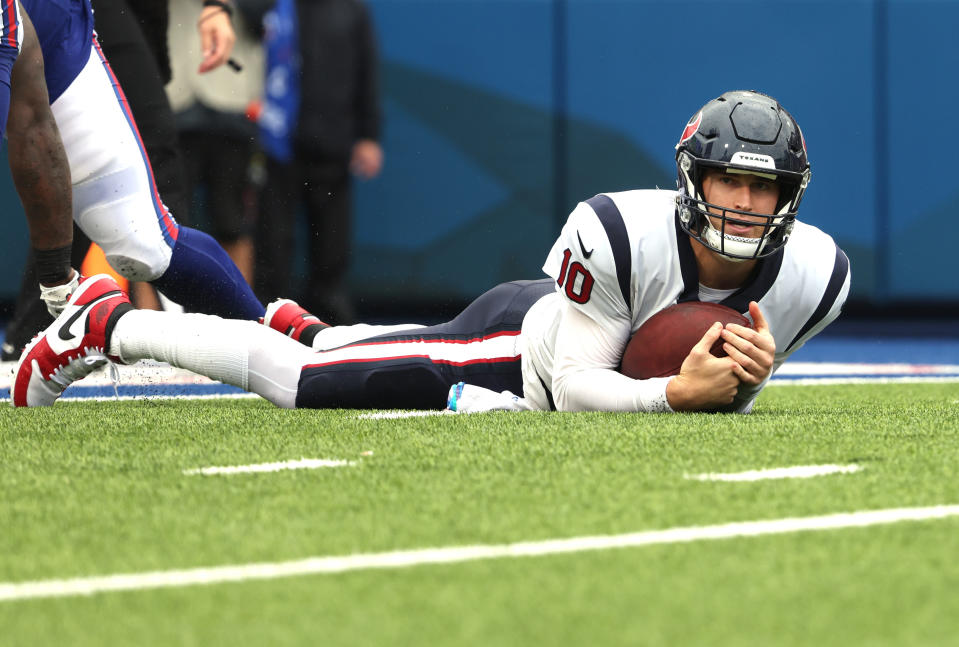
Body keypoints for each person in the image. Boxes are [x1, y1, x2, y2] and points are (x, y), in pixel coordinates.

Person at [13, 91, 850, 414]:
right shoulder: (617, 230)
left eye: (763, 189)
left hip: (558, 344)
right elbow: (578, 385)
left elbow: (726, 378)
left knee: (336, 348)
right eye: (726, 183)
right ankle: (110, 325)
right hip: (523, 353)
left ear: (789, 197)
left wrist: (737, 375)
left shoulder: (818, 278)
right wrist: (673, 391)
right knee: (298, 385)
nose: (743, 204)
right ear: (688, 179)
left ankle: (307, 325)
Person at [3, 0, 264, 351]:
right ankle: (36, 330)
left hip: (67, 19)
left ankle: (255, 333)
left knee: (143, 237)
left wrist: (215, 5)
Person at [254, 0, 383, 324]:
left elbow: (366, 69)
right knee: (273, 244)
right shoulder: (271, 5)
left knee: (332, 247)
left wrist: (368, 135)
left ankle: (330, 326)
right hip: (276, 146)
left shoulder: (352, 9)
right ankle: (270, 320)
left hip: (333, 146)